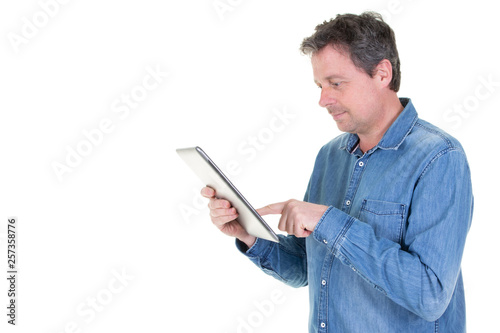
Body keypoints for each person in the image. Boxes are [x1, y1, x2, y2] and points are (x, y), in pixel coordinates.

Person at [201, 12, 473, 332]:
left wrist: (327, 220)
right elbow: (305, 267)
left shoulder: (439, 157)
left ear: (382, 73)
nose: (322, 99)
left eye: (336, 83)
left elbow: (430, 295)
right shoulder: (330, 156)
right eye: (319, 85)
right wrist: (247, 233)